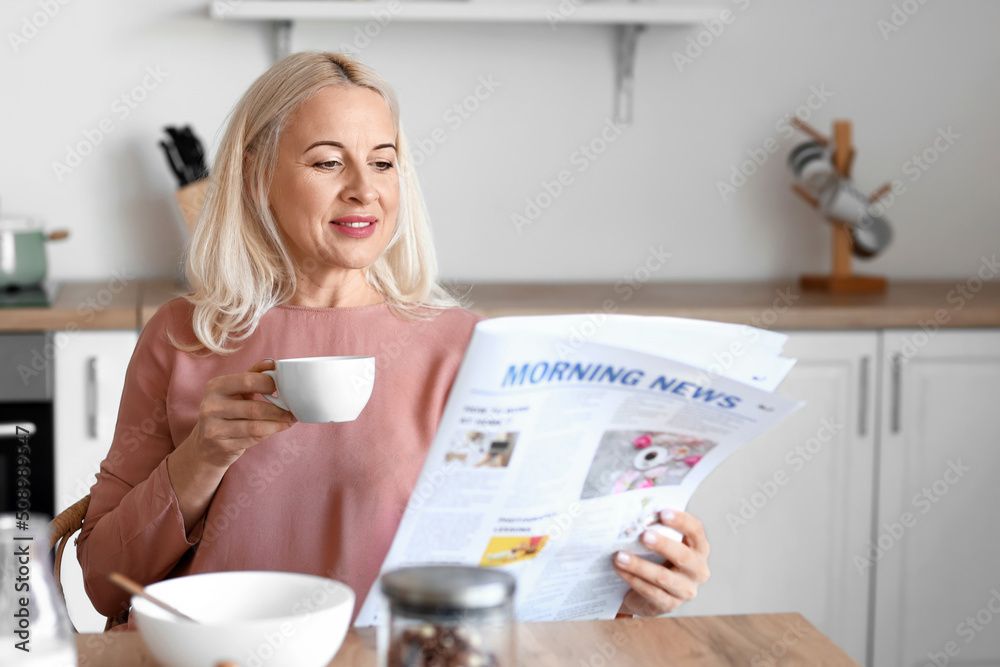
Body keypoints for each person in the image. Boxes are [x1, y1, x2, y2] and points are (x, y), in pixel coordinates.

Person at [77, 51, 710, 626]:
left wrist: (634, 589)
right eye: (327, 161)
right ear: (253, 176)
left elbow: (520, 565)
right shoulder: (185, 336)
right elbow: (104, 586)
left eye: (383, 161)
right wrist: (201, 459)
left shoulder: (470, 349)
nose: (364, 188)